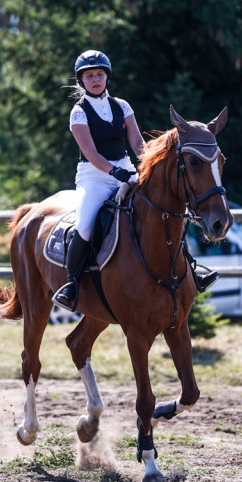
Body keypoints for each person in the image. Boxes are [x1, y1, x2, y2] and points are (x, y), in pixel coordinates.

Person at [52, 49, 217, 308]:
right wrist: (113, 171)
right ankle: (72, 284)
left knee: (163, 212)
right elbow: (90, 152)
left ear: (107, 76)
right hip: (94, 177)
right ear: (81, 80)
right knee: (84, 225)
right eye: (89, 76)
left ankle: (192, 268)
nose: (95, 80)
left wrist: (144, 165)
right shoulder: (78, 112)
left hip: (127, 170)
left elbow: (138, 143)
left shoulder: (122, 106)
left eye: (99, 74)